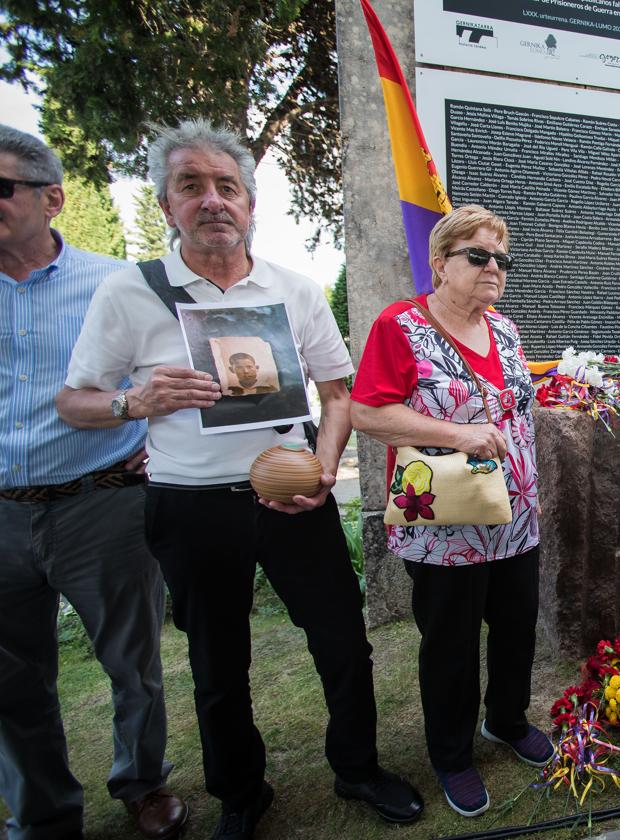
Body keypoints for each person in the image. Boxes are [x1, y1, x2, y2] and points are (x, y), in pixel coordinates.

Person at [54, 120, 422, 839]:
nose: (212, 200)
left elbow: (338, 392)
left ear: (251, 205)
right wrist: (136, 402)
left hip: (293, 497)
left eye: (228, 187)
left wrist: (322, 467)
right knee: (217, 662)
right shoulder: (131, 294)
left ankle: (357, 768)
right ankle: (240, 793)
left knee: (343, 643)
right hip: (190, 507)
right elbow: (76, 399)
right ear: (167, 205)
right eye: (191, 186)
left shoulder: (293, 288)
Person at [0, 125, 188, 840]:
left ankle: (142, 784)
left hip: (99, 502)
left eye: (3, 186)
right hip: (2, 514)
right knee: (11, 681)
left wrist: (152, 436)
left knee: (131, 662)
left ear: (52, 197)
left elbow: (171, 375)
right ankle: (43, 814)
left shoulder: (117, 284)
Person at [351, 204, 550, 818]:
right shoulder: (400, 326)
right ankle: (453, 755)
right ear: (439, 264)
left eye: (502, 258)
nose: (494, 266)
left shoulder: (507, 329)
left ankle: (507, 721)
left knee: (517, 626)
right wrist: (458, 433)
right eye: (478, 255)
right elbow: (366, 411)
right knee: (452, 643)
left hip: (514, 515)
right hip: (445, 525)